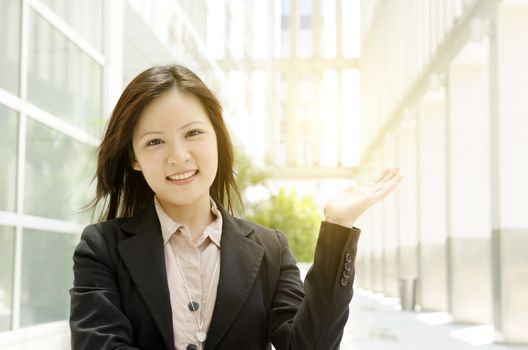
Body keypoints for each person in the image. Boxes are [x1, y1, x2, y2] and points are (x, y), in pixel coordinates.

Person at [69, 64, 402, 350]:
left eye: (193, 133)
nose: (179, 156)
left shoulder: (270, 249)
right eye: (155, 141)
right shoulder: (102, 249)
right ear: (134, 158)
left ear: (217, 137)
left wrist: (338, 226)